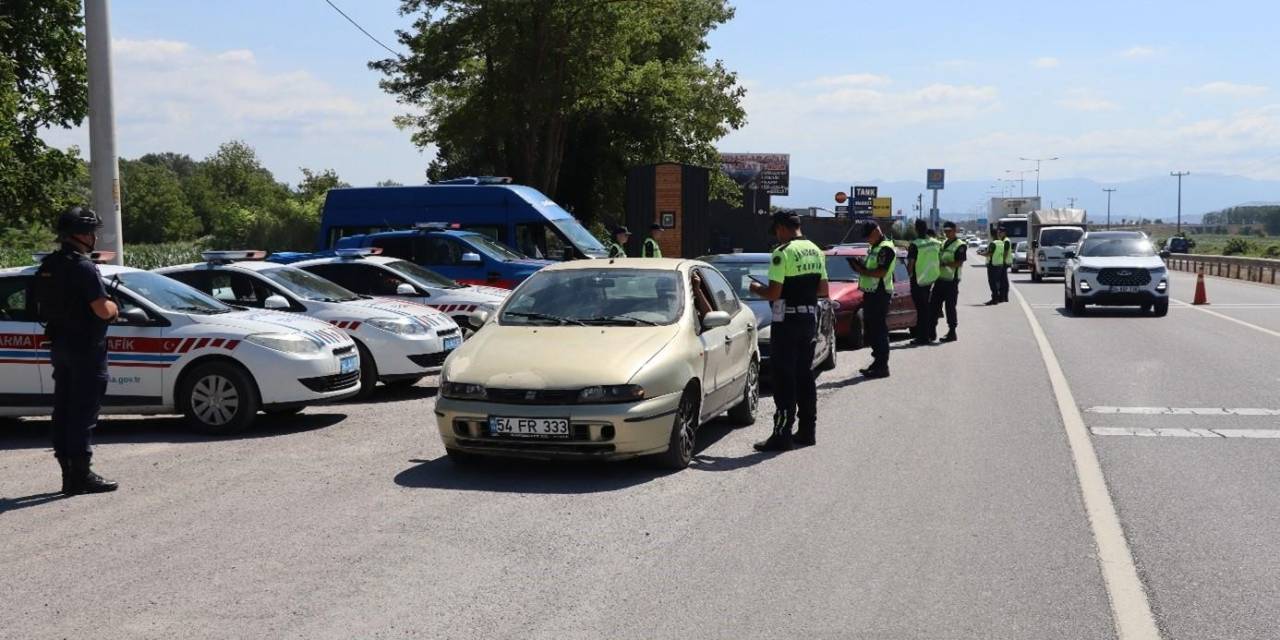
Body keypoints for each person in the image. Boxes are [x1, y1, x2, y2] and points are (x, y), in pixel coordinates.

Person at [31, 207, 120, 495]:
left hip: (60, 345)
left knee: (65, 409)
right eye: (92, 231)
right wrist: (114, 308)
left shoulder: (49, 265)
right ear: (80, 235)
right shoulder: (83, 267)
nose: (94, 236)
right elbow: (101, 309)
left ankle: (68, 474)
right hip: (85, 347)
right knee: (83, 411)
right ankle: (81, 475)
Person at [749, 211, 828, 451]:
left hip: (787, 322)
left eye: (776, 230)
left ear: (782, 228)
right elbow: (823, 289)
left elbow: (773, 294)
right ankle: (807, 431)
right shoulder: (816, 250)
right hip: (808, 320)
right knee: (805, 376)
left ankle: (781, 435)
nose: (776, 235)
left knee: (784, 379)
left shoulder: (782, 253)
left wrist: (756, 289)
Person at [848, 220, 896, 378]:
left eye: (868, 236)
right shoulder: (874, 247)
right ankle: (877, 363)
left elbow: (881, 272)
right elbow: (871, 268)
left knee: (879, 330)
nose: (867, 239)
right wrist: (859, 266)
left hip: (880, 293)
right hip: (871, 293)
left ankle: (882, 366)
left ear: (876, 231)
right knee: (872, 330)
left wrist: (861, 270)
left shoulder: (885, 248)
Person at [930, 222, 967, 342]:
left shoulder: (960, 245)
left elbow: (959, 263)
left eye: (949, 231)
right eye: (945, 231)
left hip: (951, 281)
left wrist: (945, 264)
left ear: (955, 230)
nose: (947, 233)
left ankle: (952, 332)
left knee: (950, 307)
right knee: (934, 306)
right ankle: (931, 331)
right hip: (940, 279)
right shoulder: (944, 243)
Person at [907, 220, 942, 345]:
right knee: (929, 309)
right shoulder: (936, 243)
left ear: (916, 229)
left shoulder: (915, 245)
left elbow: (910, 265)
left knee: (922, 311)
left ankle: (922, 337)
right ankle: (931, 333)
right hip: (933, 279)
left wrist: (909, 274)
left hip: (919, 281)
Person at [985, 227, 1013, 305]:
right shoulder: (1001, 241)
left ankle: (1004, 297)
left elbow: (1005, 253)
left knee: (1003, 281)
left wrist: (1002, 262)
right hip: (1001, 263)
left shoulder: (1006, 241)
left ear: (1004, 233)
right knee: (1001, 280)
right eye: (999, 232)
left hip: (1004, 262)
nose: (999, 233)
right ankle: (1002, 297)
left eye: (1001, 232)